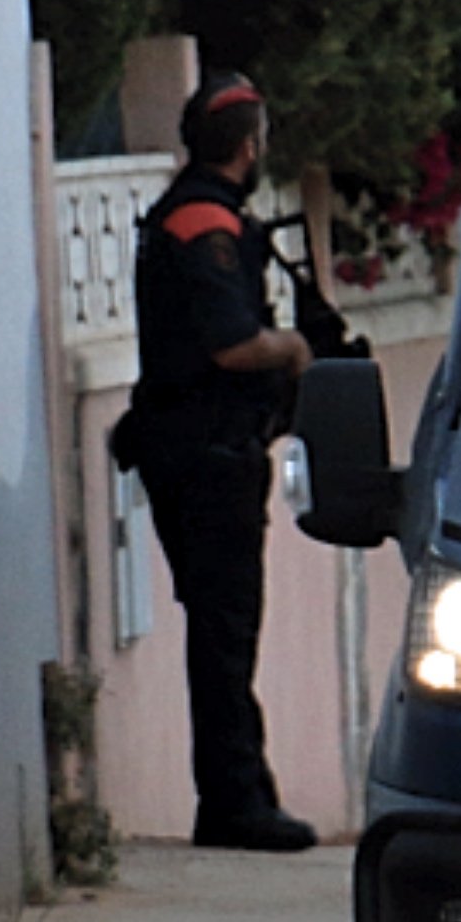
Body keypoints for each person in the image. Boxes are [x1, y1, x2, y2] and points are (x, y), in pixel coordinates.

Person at [117, 73, 347, 853]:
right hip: (207, 454)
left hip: (196, 448)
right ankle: (235, 802)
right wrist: (294, 348)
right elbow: (231, 342)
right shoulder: (204, 223)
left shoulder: (191, 214)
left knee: (221, 631)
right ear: (251, 146)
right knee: (224, 634)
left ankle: (237, 794)